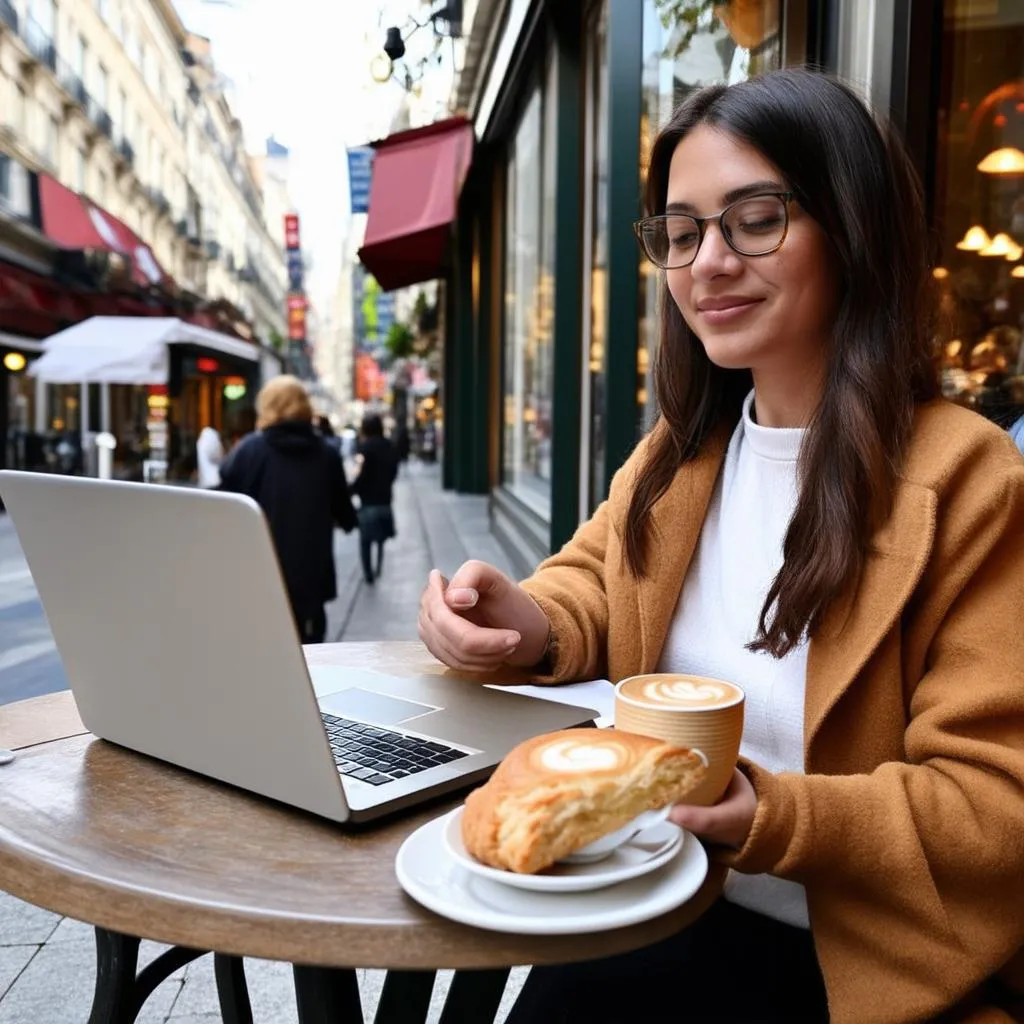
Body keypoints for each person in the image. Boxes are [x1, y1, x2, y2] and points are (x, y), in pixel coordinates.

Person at [417, 69, 1024, 1024]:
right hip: (649, 902)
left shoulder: (968, 478)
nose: (707, 263)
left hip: (846, 960)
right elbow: (594, 581)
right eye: (683, 232)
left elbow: (997, 805)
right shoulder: (683, 452)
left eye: (755, 220)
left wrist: (776, 817)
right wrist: (525, 623)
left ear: (852, 229)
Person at [219, 375, 357, 643]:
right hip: (312, 578)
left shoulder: (249, 451)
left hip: (260, 577)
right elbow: (344, 512)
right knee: (313, 659)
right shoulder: (326, 453)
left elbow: (223, 509)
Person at [351, 413, 398, 585]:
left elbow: (359, 476)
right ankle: (378, 566)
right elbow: (394, 472)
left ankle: (368, 573)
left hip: (368, 502)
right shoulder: (390, 446)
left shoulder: (364, 449)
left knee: (365, 540)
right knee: (381, 538)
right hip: (385, 499)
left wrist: (352, 490)